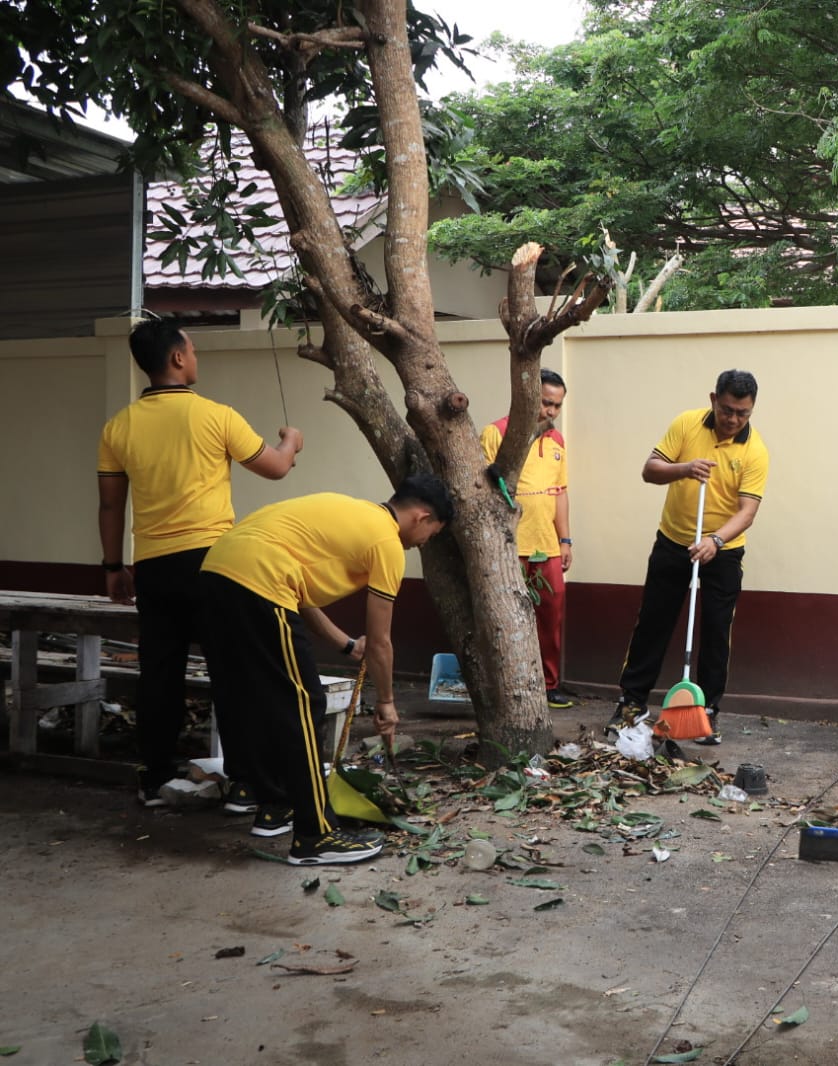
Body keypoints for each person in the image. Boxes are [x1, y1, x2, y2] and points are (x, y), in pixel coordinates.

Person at [96, 317, 303, 808]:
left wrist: (112, 566)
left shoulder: (118, 427)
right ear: (177, 357)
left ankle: (154, 779)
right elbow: (276, 468)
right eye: (191, 350)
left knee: (159, 672)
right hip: (215, 563)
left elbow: (110, 505)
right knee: (230, 670)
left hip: (153, 566)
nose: (195, 357)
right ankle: (245, 782)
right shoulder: (216, 416)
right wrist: (291, 440)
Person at [199, 476, 454, 865]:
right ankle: (315, 836)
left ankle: (268, 802)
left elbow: (300, 594)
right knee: (304, 704)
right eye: (431, 535)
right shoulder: (386, 542)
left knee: (247, 693)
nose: (424, 543)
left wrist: (347, 645)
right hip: (260, 582)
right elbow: (381, 641)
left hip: (215, 572)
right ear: (422, 517)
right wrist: (386, 702)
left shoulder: (350, 513)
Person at [612, 370, 769, 745]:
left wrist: (715, 540)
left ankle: (707, 711)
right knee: (653, 622)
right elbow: (650, 470)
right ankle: (632, 703)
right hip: (673, 541)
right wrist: (685, 468)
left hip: (723, 550)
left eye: (743, 413)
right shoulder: (686, 424)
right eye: (727, 409)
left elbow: (747, 511)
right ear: (714, 399)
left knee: (716, 630)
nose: (733, 419)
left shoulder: (755, 451)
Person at [481, 369, 575, 709]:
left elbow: (559, 492)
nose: (551, 411)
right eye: (546, 403)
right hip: (509, 546)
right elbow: (482, 491)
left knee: (551, 617)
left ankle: (549, 686)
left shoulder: (557, 440)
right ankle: (507, 686)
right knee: (506, 620)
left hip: (547, 547)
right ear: (529, 396)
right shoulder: (496, 433)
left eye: (557, 406)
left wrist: (566, 540)